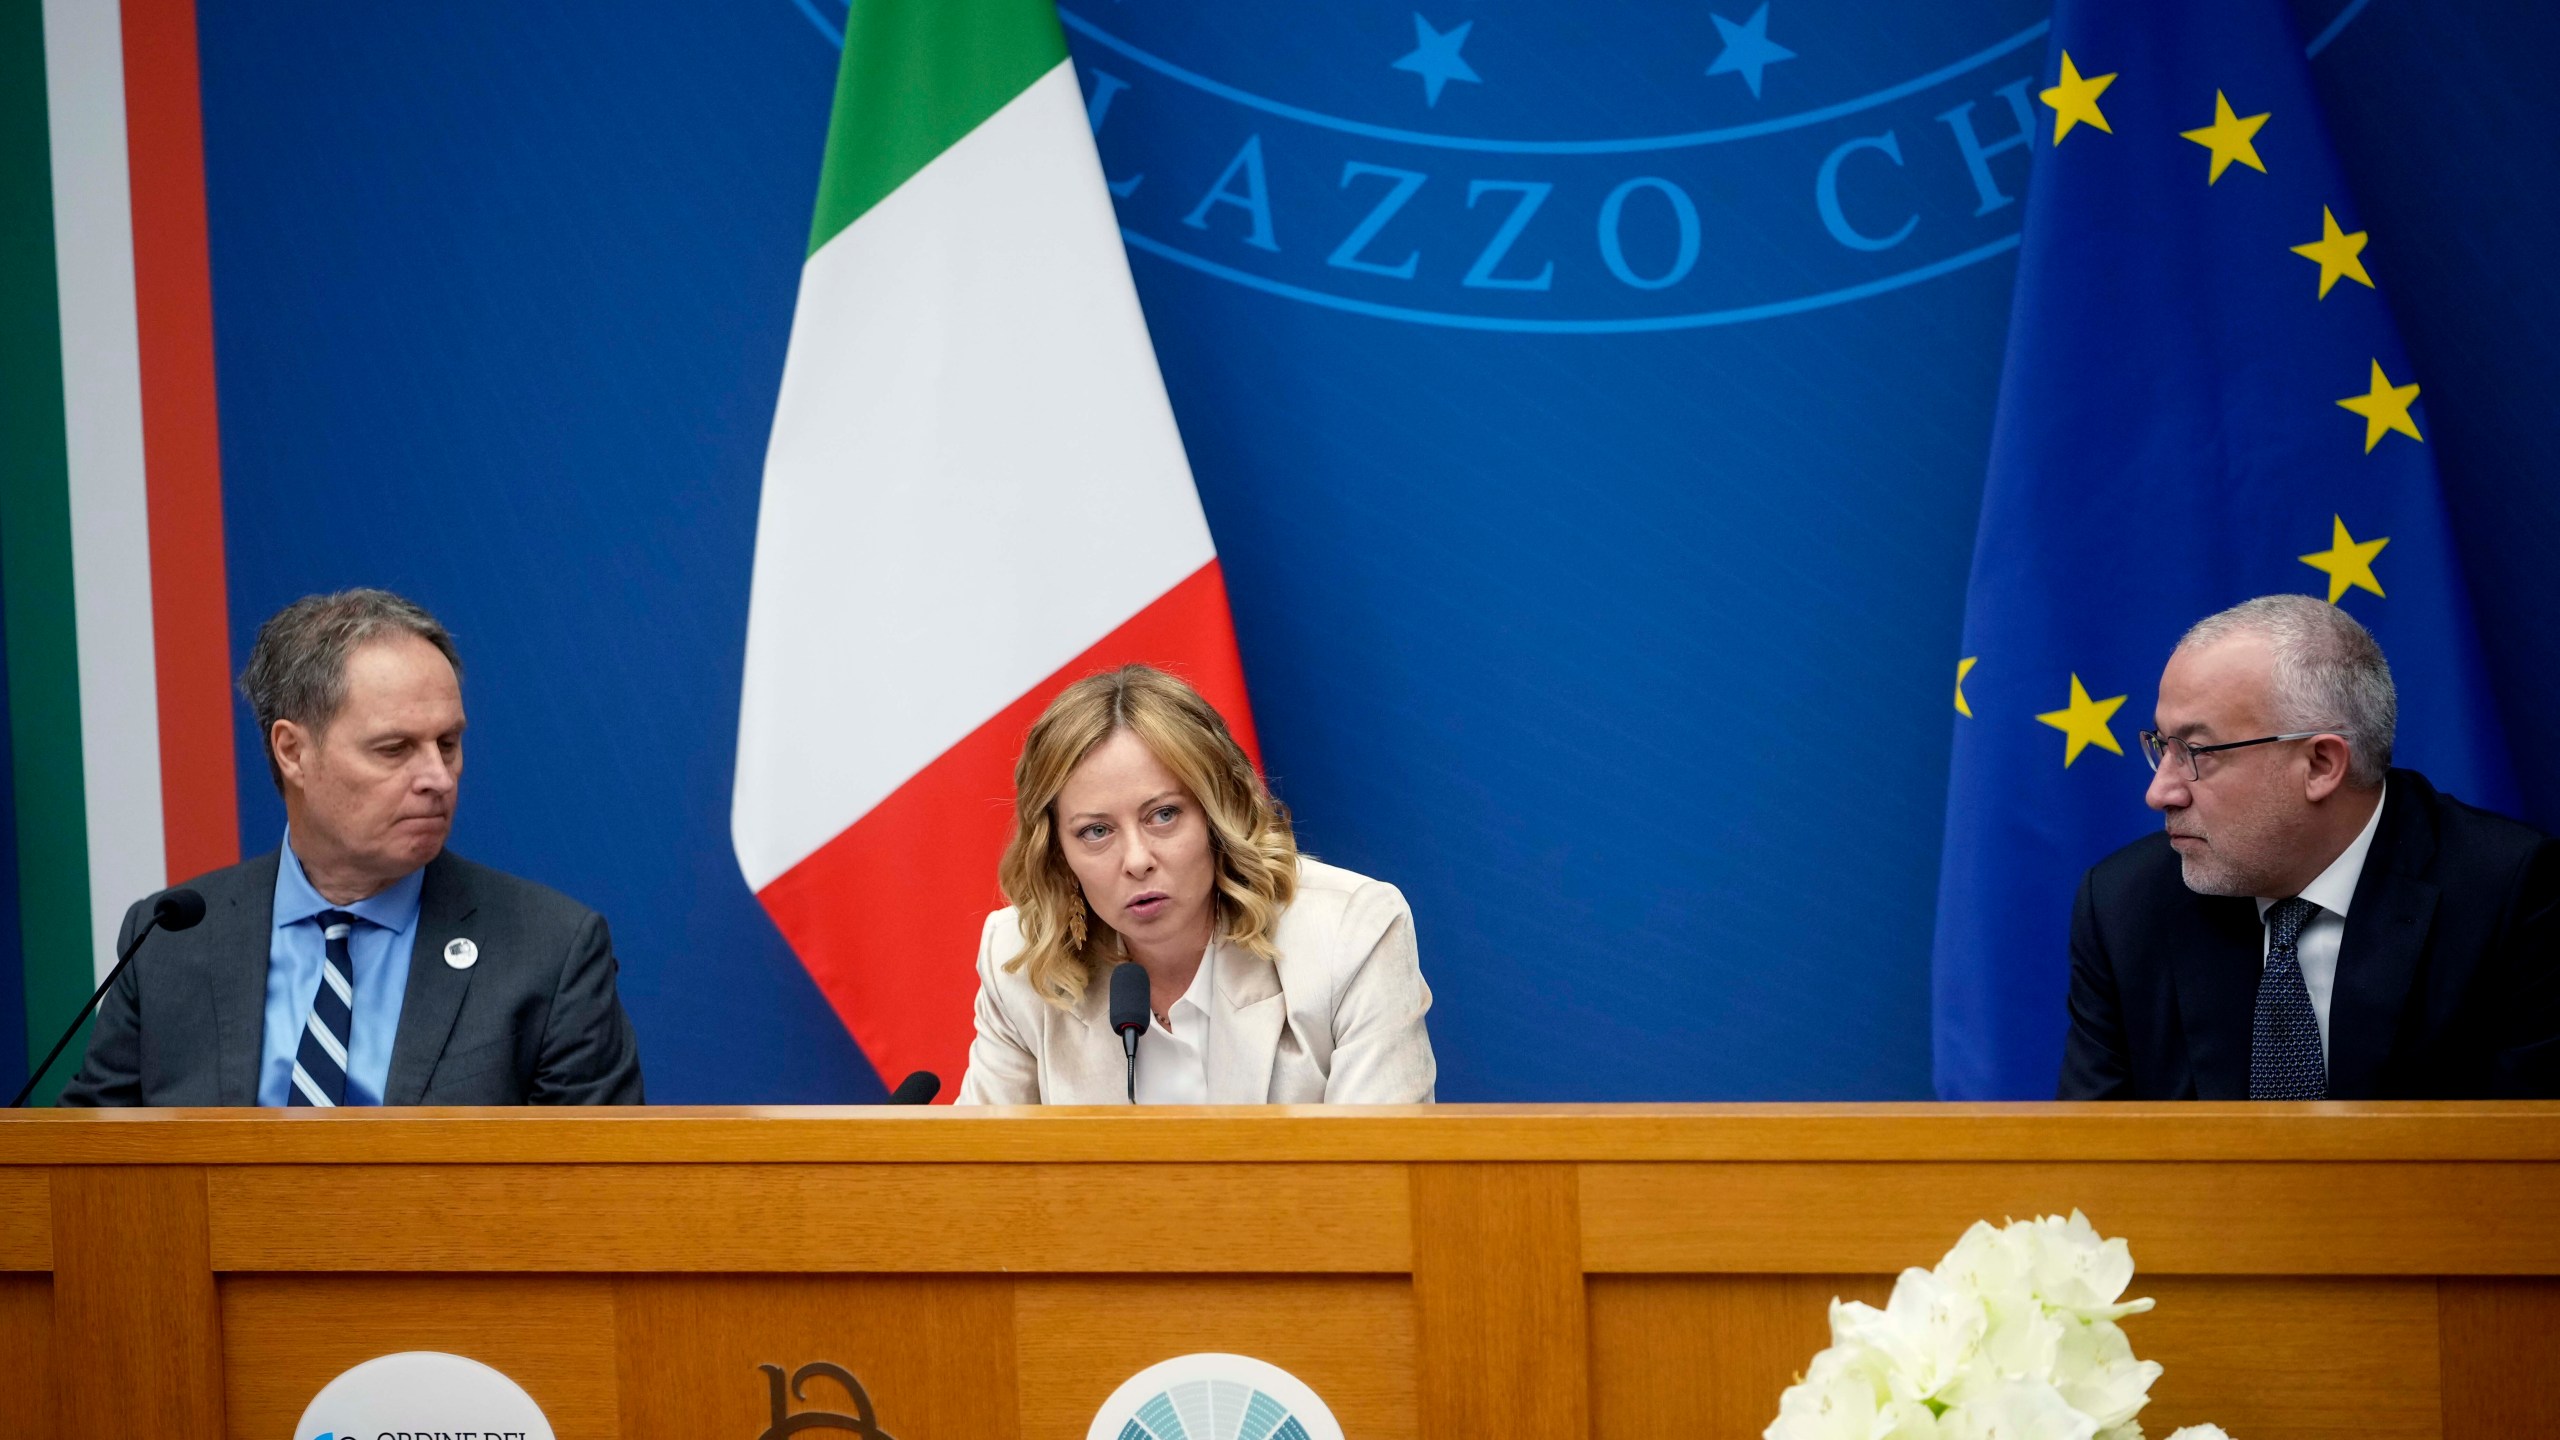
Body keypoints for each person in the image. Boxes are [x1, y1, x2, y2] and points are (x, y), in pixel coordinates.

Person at [60, 589, 644, 1107]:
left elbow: (594, 1196)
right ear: (292, 752)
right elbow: (82, 1170)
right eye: (394, 749)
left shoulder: (549, 950)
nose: (438, 778)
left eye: (448, 743)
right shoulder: (170, 942)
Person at [2059, 595, 2559, 1100]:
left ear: (2321, 764)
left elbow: (2526, 1158)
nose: (2159, 792)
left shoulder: (2511, 894)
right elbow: (2094, 1159)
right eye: (2163, 747)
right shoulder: (2125, 904)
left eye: (2197, 752)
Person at [956, 664, 1435, 1104]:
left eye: (1163, 815)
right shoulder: (1017, 960)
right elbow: (975, 1182)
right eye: (1095, 831)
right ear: (1058, 852)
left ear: (1217, 814)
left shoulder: (1350, 935)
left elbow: (1381, 1184)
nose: (1137, 860)